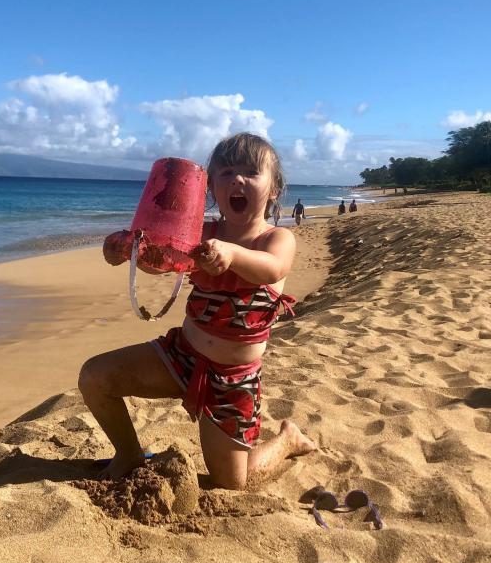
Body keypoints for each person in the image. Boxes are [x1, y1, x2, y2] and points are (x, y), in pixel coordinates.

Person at [80, 133, 317, 490]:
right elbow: (162, 262)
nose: (237, 179)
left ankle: (287, 440)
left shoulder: (275, 239)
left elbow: (273, 268)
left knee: (232, 482)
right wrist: (127, 252)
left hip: (234, 379)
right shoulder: (200, 233)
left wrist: (233, 255)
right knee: (94, 376)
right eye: (226, 173)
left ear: (274, 188)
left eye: (251, 172)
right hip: (181, 357)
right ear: (211, 188)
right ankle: (128, 452)